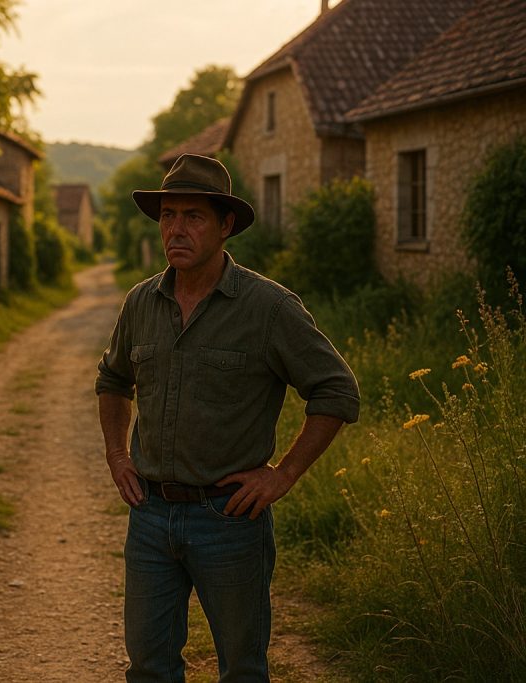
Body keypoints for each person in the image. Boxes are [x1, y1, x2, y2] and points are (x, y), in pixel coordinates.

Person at [96, 154, 359, 682]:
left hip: (230, 520)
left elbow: (336, 391)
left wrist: (281, 474)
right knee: (148, 667)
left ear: (226, 226)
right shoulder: (141, 302)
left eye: (193, 216)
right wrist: (118, 454)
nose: (176, 229)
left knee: (241, 668)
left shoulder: (269, 308)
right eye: (168, 215)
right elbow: (112, 378)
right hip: (150, 515)